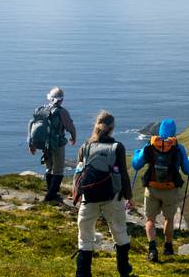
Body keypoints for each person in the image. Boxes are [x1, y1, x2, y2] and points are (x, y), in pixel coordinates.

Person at [74, 110, 137, 277]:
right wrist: (129, 197)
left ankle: (82, 273)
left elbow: (79, 172)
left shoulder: (85, 147)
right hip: (113, 198)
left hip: (89, 198)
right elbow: (123, 174)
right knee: (119, 232)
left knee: (85, 236)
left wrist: (77, 194)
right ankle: (124, 271)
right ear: (112, 128)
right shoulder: (117, 147)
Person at [142, 119, 189, 262]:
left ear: (160, 130)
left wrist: (137, 153)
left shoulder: (150, 145)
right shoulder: (178, 148)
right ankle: (168, 247)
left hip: (152, 188)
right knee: (169, 219)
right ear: (173, 131)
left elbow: (136, 163)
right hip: (170, 190)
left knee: (150, 220)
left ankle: (152, 250)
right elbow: (187, 170)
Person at [27, 86, 77, 203]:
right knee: (58, 170)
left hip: (44, 144)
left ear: (50, 98)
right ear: (62, 99)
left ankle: (50, 192)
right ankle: (51, 196)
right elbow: (70, 126)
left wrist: (31, 144)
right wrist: (73, 137)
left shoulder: (41, 110)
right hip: (56, 144)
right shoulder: (62, 112)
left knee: (49, 168)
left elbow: (31, 124)